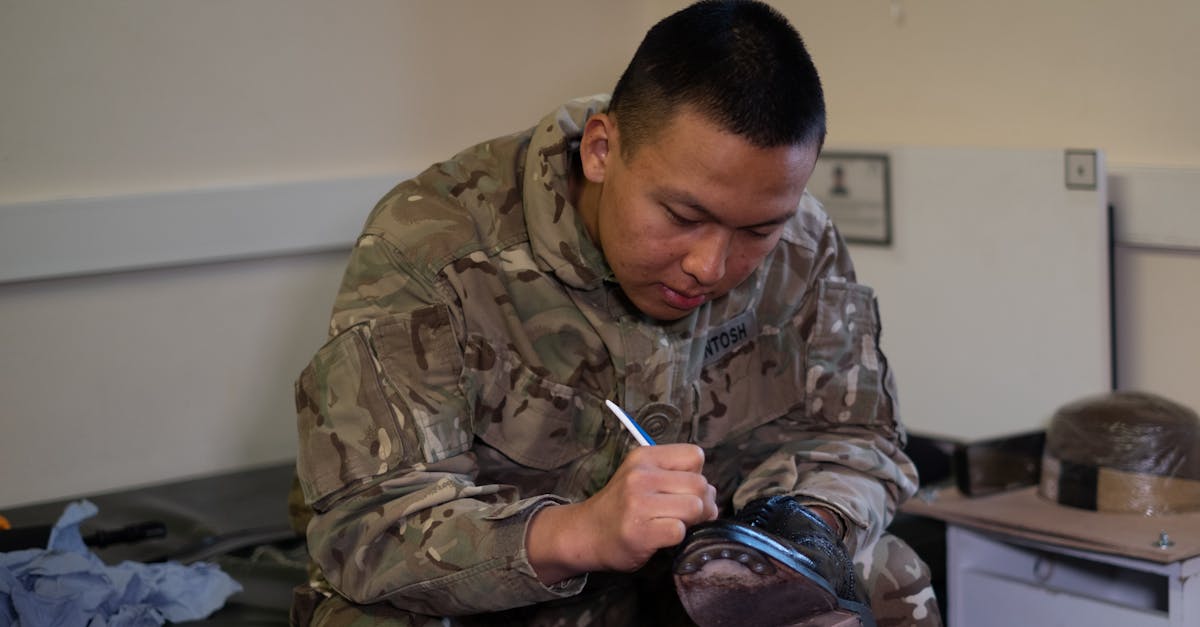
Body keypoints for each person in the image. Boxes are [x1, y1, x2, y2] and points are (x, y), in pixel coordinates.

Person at [290, 1, 941, 625]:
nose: (710, 266)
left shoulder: (804, 241)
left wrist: (798, 533)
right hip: (504, 595)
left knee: (886, 573)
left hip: (687, 587)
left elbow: (860, 438)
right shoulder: (432, 245)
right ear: (601, 150)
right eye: (684, 217)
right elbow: (363, 525)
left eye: (758, 230)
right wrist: (580, 532)